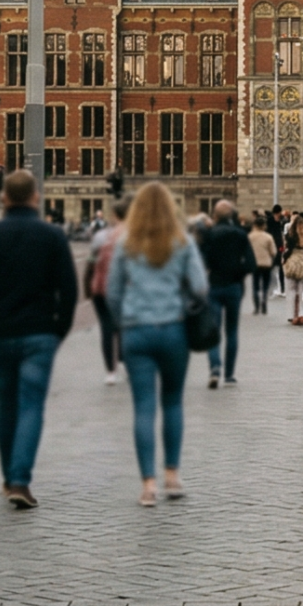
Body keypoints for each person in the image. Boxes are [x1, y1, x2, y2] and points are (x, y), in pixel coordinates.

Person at [0, 168, 78, 510]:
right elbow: (68, 291)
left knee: (7, 406)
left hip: (1, 333)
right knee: (31, 406)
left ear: (4, 197)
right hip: (40, 333)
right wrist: (59, 329)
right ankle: (19, 479)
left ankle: (9, 477)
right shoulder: (52, 236)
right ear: (36, 197)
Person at [108, 181, 208, 508]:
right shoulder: (182, 242)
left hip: (136, 331)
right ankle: (172, 477)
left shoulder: (126, 242)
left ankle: (148, 486)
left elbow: (112, 292)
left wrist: (125, 315)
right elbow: (200, 288)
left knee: (144, 408)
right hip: (173, 330)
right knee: (173, 403)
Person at [196, 200, 253, 388]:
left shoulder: (209, 234)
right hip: (233, 287)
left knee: (214, 329)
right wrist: (238, 273)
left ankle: (214, 368)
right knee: (232, 331)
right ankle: (229, 374)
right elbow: (251, 263)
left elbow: (201, 260)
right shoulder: (240, 234)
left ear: (215, 216)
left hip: (214, 286)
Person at [87, 202, 124, 385]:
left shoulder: (101, 236)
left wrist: (88, 286)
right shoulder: (136, 236)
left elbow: (91, 262)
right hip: (125, 288)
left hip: (101, 288)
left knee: (106, 327)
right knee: (124, 325)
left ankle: (110, 371)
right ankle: (124, 358)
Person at [248, 215, 277, 314]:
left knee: (255, 285)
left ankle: (256, 306)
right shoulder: (268, 237)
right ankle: (264, 301)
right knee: (265, 284)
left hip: (254, 263)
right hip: (266, 264)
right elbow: (273, 252)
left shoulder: (250, 236)